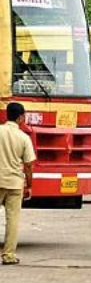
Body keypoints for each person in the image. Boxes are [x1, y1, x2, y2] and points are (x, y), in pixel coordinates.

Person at [0, 103, 35, 265]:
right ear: (21, 117)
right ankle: (8, 255)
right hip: (14, 183)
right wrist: (29, 185)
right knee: (12, 220)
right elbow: (28, 165)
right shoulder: (23, 137)